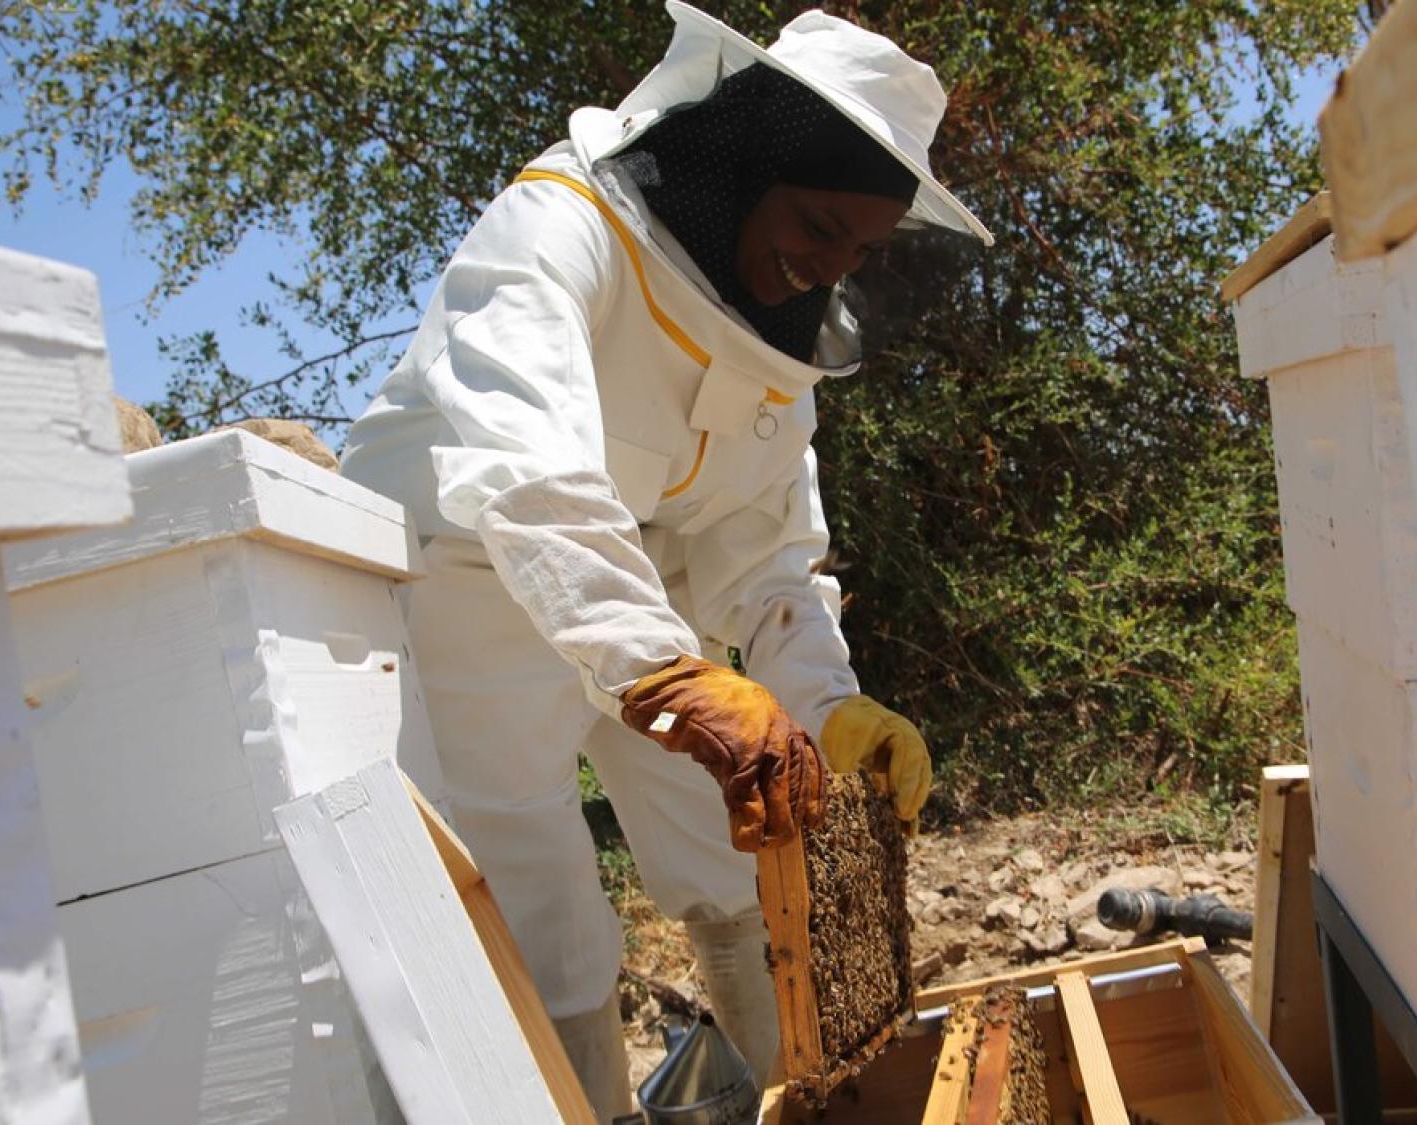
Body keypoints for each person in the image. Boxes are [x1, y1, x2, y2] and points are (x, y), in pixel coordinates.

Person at [340, 3, 992, 1117]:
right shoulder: (559, 226)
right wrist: (666, 674)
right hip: (461, 572)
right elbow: (526, 472)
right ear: (741, 164)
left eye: (858, 251)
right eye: (816, 223)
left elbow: (769, 561)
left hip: (634, 590)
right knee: (536, 910)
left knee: (747, 853)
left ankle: (799, 1094)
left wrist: (830, 705)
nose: (824, 267)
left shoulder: (774, 352)